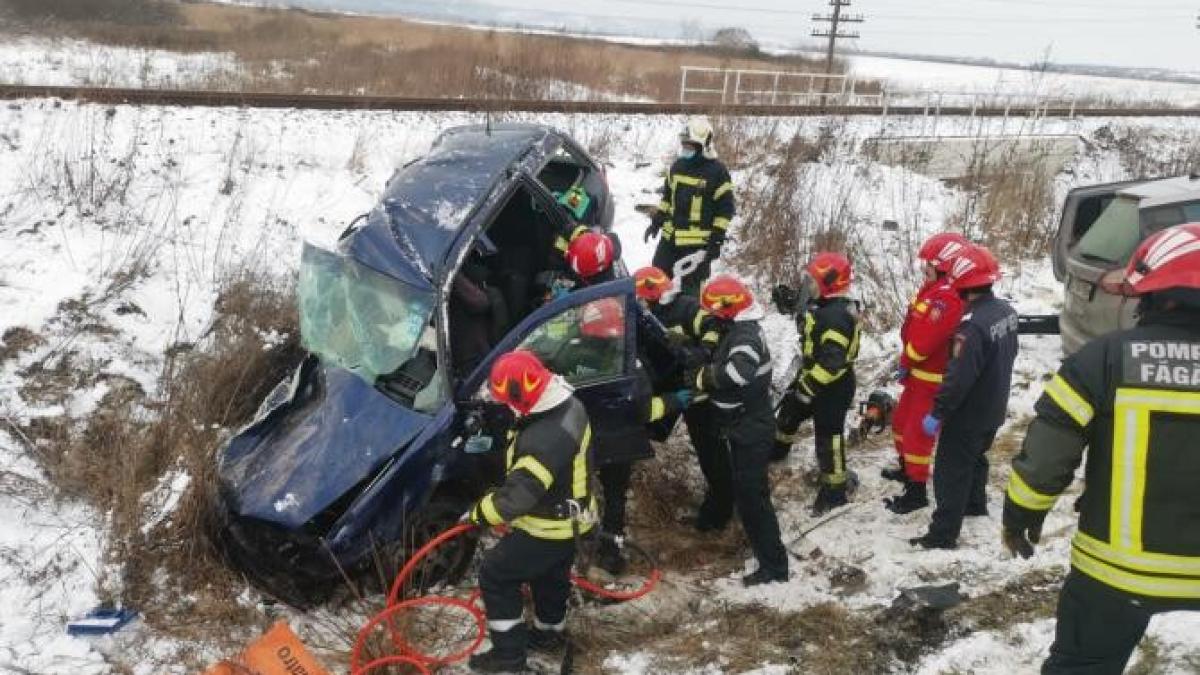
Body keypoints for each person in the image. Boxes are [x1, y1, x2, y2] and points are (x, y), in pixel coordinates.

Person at [1001, 224, 1200, 675]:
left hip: (1117, 574)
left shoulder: (1104, 360)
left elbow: (1048, 458)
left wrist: (1021, 515)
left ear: (1151, 295)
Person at [465, 350, 595, 672]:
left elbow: (517, 499)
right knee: (551, 576)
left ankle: (508, 658)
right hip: (571, 520)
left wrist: (478, 514)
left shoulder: (544, 440)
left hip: (548, 528)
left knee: (495, 574)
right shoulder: (567, 405)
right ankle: (549, 633)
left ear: (521, 396)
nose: (504, 406)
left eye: (506, 399)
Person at [911, 245, 1018, 549]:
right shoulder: (1006, 312)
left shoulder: (971, 326)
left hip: (968, 414)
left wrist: (939, 412)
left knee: (950, 472)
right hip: (994, 406)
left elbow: (958, 377)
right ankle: (974, 504)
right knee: (977, 457)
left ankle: (942, 535)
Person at [694, 274, 789, 586]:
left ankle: (774, 568)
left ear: (727, 309)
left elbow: (737, 372)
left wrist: (705, 378)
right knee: (748, 494)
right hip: (744, 426)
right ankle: (765, 554)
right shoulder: (736, 328)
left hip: (751, 429)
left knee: (753, 499)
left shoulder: (745, 337)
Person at [633, 266, 727, 531]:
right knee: (704, 451)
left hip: (702, 395)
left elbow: (714, 326)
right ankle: (716, 504)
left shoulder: (685, 308)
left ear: (652, 292)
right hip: (679, 389)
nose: (639, 301)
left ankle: (718, 514)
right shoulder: (648, 313)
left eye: (641, 296)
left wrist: (701, 350)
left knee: (713, 454)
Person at [883, 233, 969, 514]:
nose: (923, 271)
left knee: (917, 435)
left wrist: (908, 358)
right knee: (899, 424)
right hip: (918, 376)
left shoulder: (947, 299)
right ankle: (907, 470)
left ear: (946, 266)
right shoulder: (934, 290)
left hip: (931, 380)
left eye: (928, 266)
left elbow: (923, 343)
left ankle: (917, 490)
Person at [773, 252, 862, 517]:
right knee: (789, 411)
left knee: (828, 437)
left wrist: (808, 388)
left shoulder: (835, 317)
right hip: (816, 374)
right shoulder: (829, 306)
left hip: (831, 385)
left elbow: (832, 363)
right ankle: (777, 450)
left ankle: (835, 492)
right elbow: (812, 318)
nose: (809, 286)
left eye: (813, 281)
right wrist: (793, 305)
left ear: (830, 283)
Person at [644, 116, 735, 296]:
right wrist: (657, 220)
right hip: (670, 240)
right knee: (655, 284)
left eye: (690, 146)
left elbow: (725, 210)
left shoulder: (718, 173)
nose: (686, 149)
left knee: (690, 295)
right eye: (684, 144)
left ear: (704, 146)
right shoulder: (677, 167)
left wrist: (716, 239)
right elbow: (667, 198)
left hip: (696, 246)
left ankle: (689, 322)